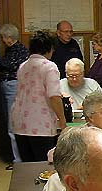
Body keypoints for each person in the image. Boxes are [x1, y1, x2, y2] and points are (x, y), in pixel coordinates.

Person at [11, 31, 66, 162]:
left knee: (27, 164)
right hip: (40, 123)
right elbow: (54, 96)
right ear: (49, 49)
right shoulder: (49, 67)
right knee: (43, 164)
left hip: (19, 122)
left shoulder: (23, 66)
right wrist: (62, 121)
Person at [0, 24, 29, 168]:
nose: (2, 40)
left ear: (8, 38)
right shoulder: (13, 50)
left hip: (13, 87)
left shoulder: (18, 50)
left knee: (12, 125)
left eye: (3, 37)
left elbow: (4, 66)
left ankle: (17, 161)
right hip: (11, 87)